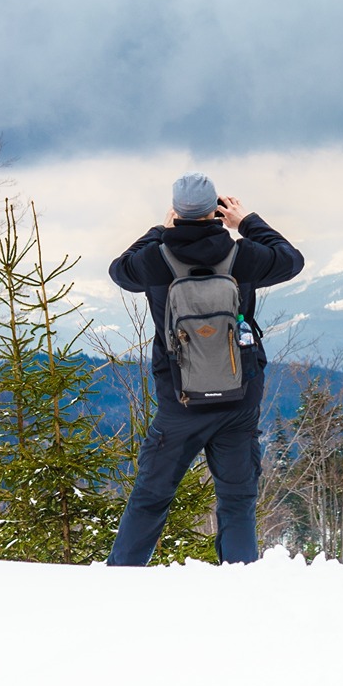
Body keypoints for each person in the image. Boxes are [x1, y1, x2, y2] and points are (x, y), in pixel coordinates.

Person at [106, 172, 304, 565]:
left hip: (179, 404)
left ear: (178, 211)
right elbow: (291, 260)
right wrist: (246, 222)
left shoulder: (156, 259)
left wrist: (158, 230)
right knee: (237, 499)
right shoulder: (241, 255)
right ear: (215, 209)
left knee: (151, 496)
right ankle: (239, 579)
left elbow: (119, 269)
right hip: (237, 398)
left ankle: (122, 577)